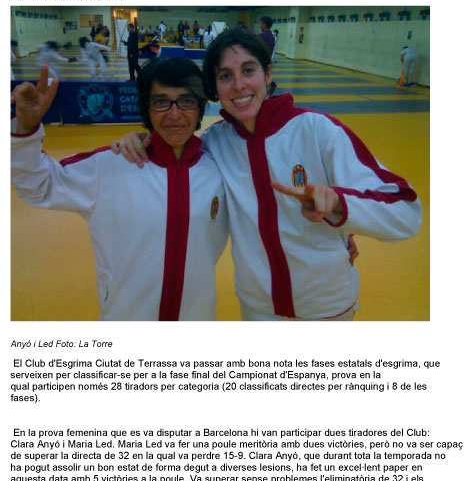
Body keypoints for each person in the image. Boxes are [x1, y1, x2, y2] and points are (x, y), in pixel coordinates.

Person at [113, 29, 421, 321]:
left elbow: (406, 211)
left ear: (268, 74)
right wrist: (140, 139)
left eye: (248, 70)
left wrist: (340, 205)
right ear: (215, 88)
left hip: (327, 307)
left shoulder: (318, 131)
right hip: (258, 309)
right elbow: (176, 157)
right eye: (225, 76)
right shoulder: (214, 144)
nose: (238, 85)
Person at [11, 58, 227, 321]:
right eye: (160, 102)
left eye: (187, 101)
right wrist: (26, 129)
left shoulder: (219, 168)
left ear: (201, 106)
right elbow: (38, 186)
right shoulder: (109, 166)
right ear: (145, 108)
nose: (174, 114)